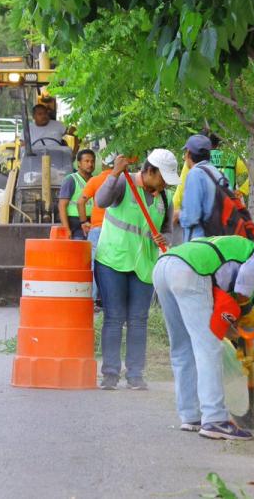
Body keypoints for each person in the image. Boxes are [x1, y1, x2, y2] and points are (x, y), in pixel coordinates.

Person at [153, 235, 254, 440]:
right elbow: (246, 276)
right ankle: (215, 419)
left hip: (166, 267)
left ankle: (191, 416)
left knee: (183, 348)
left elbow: (218, 305)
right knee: (208, 348)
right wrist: (244, 313)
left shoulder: (236, 258)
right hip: (191, 270)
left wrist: (237, 335)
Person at [93, 149, 180, 390]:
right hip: (113, 260)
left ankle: (135, 375)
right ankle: (110, 374)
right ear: (150, 170)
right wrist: (113, 175)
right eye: (162, 178)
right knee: (114, 317)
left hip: (143, 266)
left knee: (139, 320)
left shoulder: (165, 198)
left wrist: (163, 238)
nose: (164, 185)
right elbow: (100, 201)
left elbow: (168, 232)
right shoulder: (123, 182)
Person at [173, 131, 249, 217]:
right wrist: (241, 191)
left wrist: (174, 211)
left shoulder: (194, 159)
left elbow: (181, 188)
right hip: (227, 211)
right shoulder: (232, 157)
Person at [77, 154, 115, 305]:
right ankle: (110, 302)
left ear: (104, 165)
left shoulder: (95, 180)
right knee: (113, 266)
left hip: (97, 228)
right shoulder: (123, 181)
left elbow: (81, 201)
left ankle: (90, 302)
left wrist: (84, 222)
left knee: (92, 265)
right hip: (116, 231)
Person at [177, 134, 224, 242]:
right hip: (218, 241)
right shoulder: (218, 175)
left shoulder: (195, 174)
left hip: (199, 243)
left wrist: (178, 215)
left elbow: (191, 217)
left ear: (189, 153)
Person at [57, 149, 96, 240]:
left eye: (92, 161)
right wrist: (66, 229)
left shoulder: (95, 180)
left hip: (92, 223)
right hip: (75, 224)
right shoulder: (71, 180)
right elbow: (62, 205)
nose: (90, 164)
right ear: (79, 163)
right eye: (86, 161)